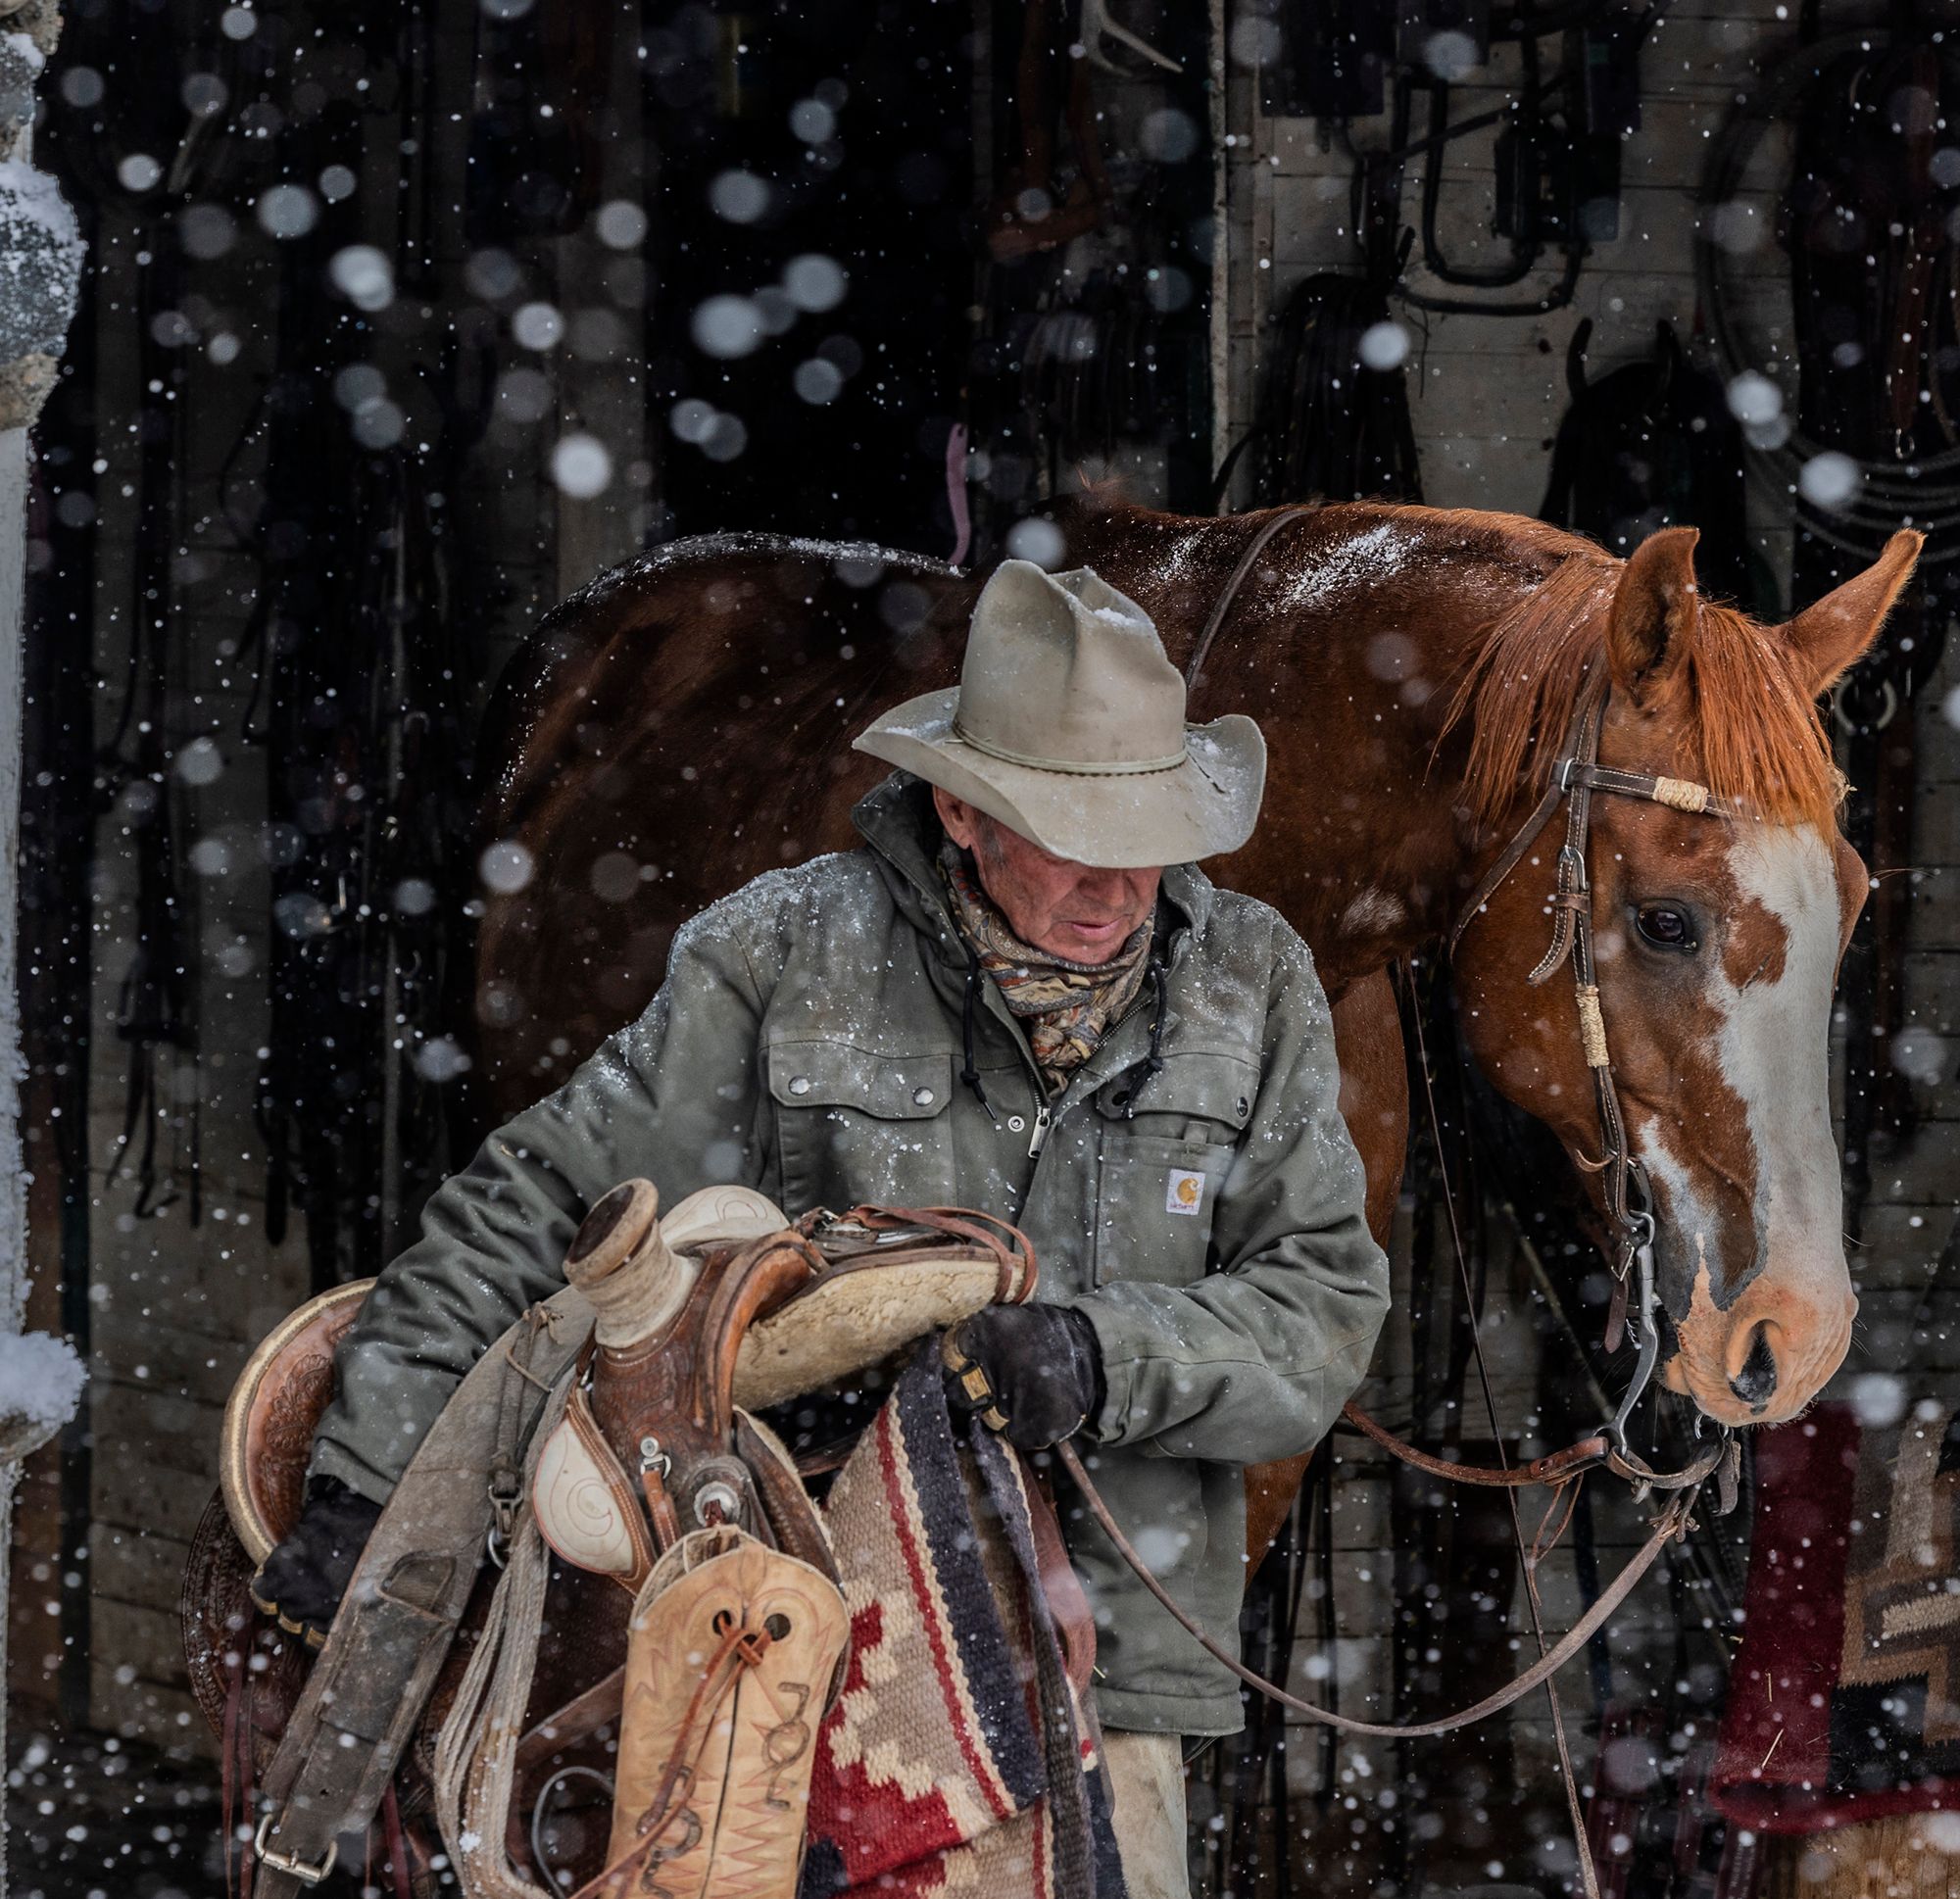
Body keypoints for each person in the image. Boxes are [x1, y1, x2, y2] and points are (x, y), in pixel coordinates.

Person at [254, 558, 1391, 1898]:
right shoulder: (791, 953)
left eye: (1151, 841)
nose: (1122, 890)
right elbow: (539, 1195)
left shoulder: (1248, 982)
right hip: (800, 1658)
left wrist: (1101, 1354)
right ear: (965, 809)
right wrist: (366, 1476)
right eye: (1081, 839)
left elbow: (1324, 1307)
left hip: (1114, 1677)